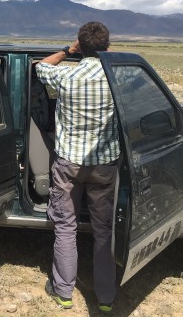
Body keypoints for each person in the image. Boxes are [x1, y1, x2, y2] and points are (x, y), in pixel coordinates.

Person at [35, 22, 120, 313]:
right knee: (103, 231)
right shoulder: (116, 77)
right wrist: (109, 55)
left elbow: (40, 67)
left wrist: (67, 51)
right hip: (104, 166)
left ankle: (63, 293)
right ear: (108, 46)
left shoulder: (67, 76)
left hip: (69, 164)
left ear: (80, 46)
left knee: (66, 228)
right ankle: (106, 297)